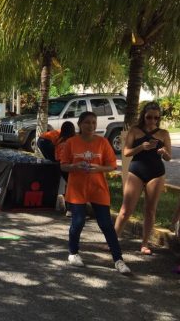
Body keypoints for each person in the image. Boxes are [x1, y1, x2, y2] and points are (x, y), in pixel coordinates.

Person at [60, 111, 131, 274]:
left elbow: (112, 165)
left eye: (93, 122)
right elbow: (63, 165)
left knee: (106, 224)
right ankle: (73, 253)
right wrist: (74, 166)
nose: (91, 126)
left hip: (98, 188)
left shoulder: (103, 142)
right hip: (77, 189)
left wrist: (99, 168)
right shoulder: (71, 142)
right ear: (79, 124)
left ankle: (118, 260)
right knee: (78, 222)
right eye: (87, 123)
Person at [114, 102, 172, 255]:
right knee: (126, 210)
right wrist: (141, 147)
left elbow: (168, 157)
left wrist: (163, 152)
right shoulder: (135, 131)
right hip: (137, 171)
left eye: (156, 118)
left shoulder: (164, 133)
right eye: (149, 117)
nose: (152, 121)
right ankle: (112, 241)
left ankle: (145, 243)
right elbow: (126, 152)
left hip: (156, 173)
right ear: (143, 116)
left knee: (150, 210)